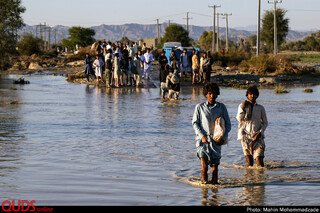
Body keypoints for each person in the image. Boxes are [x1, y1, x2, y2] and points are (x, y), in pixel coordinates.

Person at [192, 83, 231, 184]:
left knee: (214, 169)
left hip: (216, 141)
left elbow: (228, 124)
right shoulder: (199, 107)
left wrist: (223, 138)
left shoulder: (221, 107)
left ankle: (214, 194)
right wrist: (202, 136)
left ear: (217, 94)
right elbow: (195, 123)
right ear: (205, 95)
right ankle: (204, 191)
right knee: (204, 167)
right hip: (203, 142)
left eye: (214, 93)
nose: (212, 96)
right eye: (209, 94)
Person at [236, 86, 268, 167]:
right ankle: (249, 179)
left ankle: (260, 178)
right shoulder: (242, 106)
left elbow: (265, 123)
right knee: (249, 162)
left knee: (259, 161)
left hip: (258, 136)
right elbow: (239, 119)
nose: (252, 96)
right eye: (250, 94)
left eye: (254, 94)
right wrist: (242, 108)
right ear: (247, 95)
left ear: (257, 95)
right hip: (245, 136)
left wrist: (260, 133)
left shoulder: (260, 108)